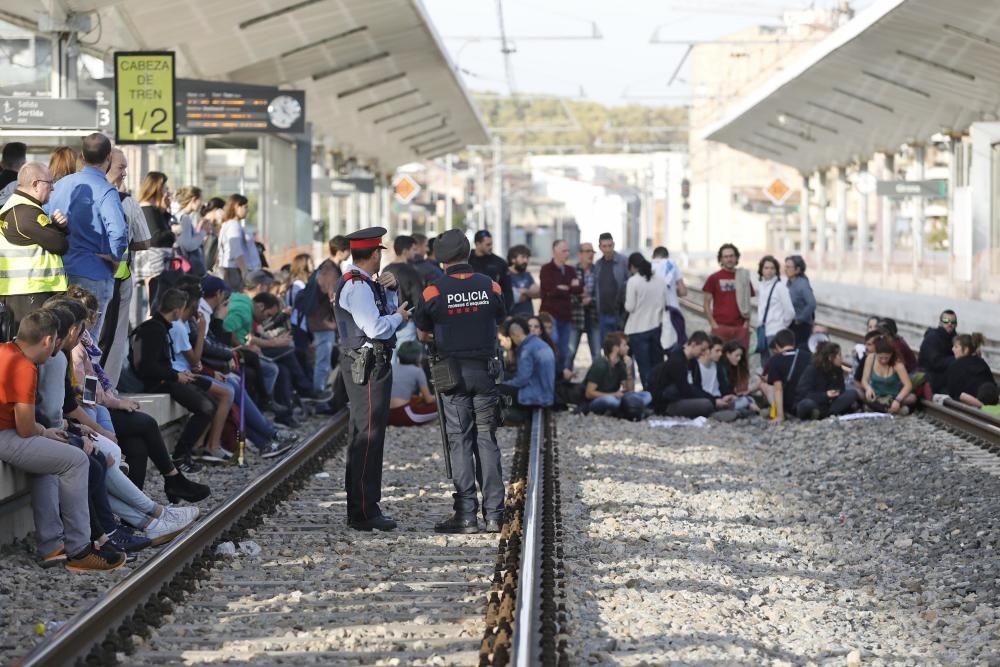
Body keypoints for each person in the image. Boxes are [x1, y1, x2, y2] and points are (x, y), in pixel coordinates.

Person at [0, 310, 128, 571]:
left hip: (7, 431)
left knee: (50, 461)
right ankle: (80, 549)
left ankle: (53, 547)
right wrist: (45, 432)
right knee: (77, 460)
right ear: (47, 341)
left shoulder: (5, 350)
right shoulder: (24, 367)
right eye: (56, 342)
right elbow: (25, 428)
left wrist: (46, 434)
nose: (57, 350)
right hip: (6, 436)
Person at [415, 228, 507, 534]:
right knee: (487, 439)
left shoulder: (433, 291)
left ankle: (466, 514)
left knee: (460, 440)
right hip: (485, 373)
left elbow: (422, 331)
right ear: (468, 253)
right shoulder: (489, 285)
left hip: (451, 375)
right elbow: (500, 316)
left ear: (441, 260)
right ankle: (494, 514)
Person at [335, 226, 409, 531]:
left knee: (365, 434)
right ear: (373, 253)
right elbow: (376, 327)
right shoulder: (357, 286)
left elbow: (380, 315)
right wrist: (399, 317)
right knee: (368, 436)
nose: (381, 257)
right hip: (366, 365)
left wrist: (390, 292)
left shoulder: (366, 283)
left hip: (368, 363)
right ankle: (365, 510)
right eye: (380, 251)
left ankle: (362, 506)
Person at [45, 133, 127, 340]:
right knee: (87, 344)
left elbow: (45, 219)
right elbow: (118, 232)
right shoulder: (106, 191)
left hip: (60, 272)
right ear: (108, 157)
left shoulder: (61, 185)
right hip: (94, 274)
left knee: (59, 340)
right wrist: (114, 255)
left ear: (82, 155)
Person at [132, 288, 220, 472]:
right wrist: (175, 375)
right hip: (159, 382)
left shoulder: (161, 326)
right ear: (177, 310)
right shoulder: (153, 329)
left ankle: (185, 453)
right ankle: (180, 455)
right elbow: (146, 366)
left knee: (211, 402)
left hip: (170, 377)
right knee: (205, 408)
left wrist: (179, 374)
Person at [100, 148, 151, 385]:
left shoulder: (74, 192)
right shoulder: (125, 201)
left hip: (80, 278)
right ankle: (104, 388)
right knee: (110, 338)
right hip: (116, 279)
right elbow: (144, 241)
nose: (124, 174)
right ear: (106, 164)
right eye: (122, 168)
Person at [0, 162, 69, 338]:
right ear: (36, 184)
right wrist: (59, 229)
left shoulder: (17, 208)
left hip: (22, 291)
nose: (53, 188)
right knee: (33, 344)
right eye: (50, 183)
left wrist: (54, 226)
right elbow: (60, 245)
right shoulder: (27, 213)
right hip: (30, 291)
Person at [623, 252, 666, 390]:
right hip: (656, 328)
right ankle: (659, 395)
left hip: (637, 330)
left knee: (644, 367)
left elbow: (630, 306)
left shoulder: (633, 281)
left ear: (632, 266)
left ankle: (649, 395)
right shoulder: (659, 279)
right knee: (658, 365)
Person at [539, 239, 582, 376]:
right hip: (550, 316)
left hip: (566, 316)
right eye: (564, 251)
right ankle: (551, 377)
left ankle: (561, 380)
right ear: (555, 252)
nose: (567, 253)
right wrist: (570, 287)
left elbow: (579, 288)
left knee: (564, 351)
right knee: (552, 347)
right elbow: (549, 290)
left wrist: (564, 288)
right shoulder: (546, 269)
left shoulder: (570, 270)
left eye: (568, 250)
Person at [500, 316, 556, 421]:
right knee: (505, 379)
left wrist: (504, 384)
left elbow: (521, 381)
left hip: (535, 397)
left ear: (515, 335)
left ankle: (518, 416)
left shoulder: (527, 349)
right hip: (545, 394)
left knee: (496, 387)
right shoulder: (538, 343)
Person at [583, 332, 651, 416]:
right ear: (615, 348)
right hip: (598, 399)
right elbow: (589, 393)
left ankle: (630, 408)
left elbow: (630, 391)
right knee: (610, 401)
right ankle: (633, 408)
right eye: (624, 345)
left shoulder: (621, 364)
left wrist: (629, 370)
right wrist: (613, 394)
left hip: (616, 397)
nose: (628, 348)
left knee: (647, 395)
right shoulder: (600, 365)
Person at [648, 331, 713, 417]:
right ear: (693, 344)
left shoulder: (693, 362)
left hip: (683, 398)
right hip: (668, 404)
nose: (704, 353)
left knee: (708, 403)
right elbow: (684, 390)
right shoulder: (677, 360)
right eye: (702, 349)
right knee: (707, 405)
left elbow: (697, 386)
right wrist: (712, 400)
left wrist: (714, 398)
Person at [703, 243, 753, 348]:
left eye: (731, 256)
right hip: (720, 327)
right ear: (721, 259)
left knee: (741, 362)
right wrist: (713, 325)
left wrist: (746, 324)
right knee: (720, 361)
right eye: (725, 257)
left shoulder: (743, 277)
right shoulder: (714, 278)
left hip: (740, 328)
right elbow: (706, 303)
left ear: (736, 258)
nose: (729, 259)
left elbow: (748, 302)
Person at [794, 342, 860, 420]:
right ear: (830, 357)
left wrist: (836, 393)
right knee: (806, 404)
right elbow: (804, 394)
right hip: (815, 402)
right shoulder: (812, 370)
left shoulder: (837, 370)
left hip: (829, 405)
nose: (842, 358)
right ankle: (821, 414)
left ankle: (827, 415)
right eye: (839, 355)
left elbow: (842, 389)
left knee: (852, 393)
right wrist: (825, 395)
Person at [384, 235, 423, 362]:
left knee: (392, 363)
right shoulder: (412, 271)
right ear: (405, 251)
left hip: (388, 324)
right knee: (407, 362)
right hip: (407, 323)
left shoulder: (386, 270)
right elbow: (418, 301)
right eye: (413, 249)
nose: (416, 253)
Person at [760, 329, 811, 422]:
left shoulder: (775, 360)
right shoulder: (808, 356)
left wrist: (780, 416)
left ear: (777, 345)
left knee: (764, 385)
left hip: (789, 404)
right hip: (806, 400)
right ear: (793, 342)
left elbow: (778, 389)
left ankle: (780, 411)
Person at [861, 336, 916, 415]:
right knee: (859, 393)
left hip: (892, 397)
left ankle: (888, 409)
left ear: (891, 355)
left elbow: (908, 385)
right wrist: (868, 388)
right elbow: (864, 380)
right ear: (876, 353)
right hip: (875, 396)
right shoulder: (870, 358)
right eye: (880, 358)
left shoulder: (897, 364)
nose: (883, 361)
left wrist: (898, 400)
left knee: (912, 398)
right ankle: (891, 410)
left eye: (886, 358)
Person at [387, 340, 437, 426]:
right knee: (441, 406)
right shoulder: (417, 371)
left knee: (416, 398)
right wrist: (439, 398)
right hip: (403, 414)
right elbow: (428, 399)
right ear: (418, 356)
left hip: (385, 414)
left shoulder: (392, 367)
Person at [567, 242, 600, 369]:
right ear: (580, 254)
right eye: (587, 251)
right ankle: (565, 384)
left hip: (593, 317)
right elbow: (568, 293)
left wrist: (591, 299)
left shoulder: (597, 271)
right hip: (576, 316)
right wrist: (580, 299)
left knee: (597, 354)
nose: (590, 254)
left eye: (592, 251)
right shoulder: (572, 272)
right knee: (570, 352)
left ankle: (597, 385)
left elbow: (603, 294)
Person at [756, 255, 794, 363]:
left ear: (776, 270)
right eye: (766, 268)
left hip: (776, 333)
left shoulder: (780, 287)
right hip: (763, 333)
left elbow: (790, 312)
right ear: (761, 270)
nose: (769, 271)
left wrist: (782, 326)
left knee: (776, 365)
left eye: (772, 268)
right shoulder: (762, 286)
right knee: (765, 366)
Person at [216, 194, 257, 292]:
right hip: (234, 270)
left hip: (228, 268)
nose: (247, 210)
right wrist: (244, 270)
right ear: (236, 207)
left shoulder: (226, 224)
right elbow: (236, 250)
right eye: (245, 207)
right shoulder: (234, 225)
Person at [593, 233, 628, 344]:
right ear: (600, 247)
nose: (608, 249)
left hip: (620, 314)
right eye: (604, 246)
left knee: (623, 347)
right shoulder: (598, 265)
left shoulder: (623, 262)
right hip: (603, 314)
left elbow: (630, 283)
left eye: (610, 245)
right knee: (607, 348)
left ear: (613, 245)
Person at [651, 246, 688, 349]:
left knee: (656, 347)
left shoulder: (649, 266)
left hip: (652, 314)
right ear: (667, 256)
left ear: (653, 256)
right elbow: (683, 291)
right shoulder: (671, 264)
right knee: (673, 346)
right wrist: (672, 291)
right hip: (672, 311)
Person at [946, 333, 996, 408]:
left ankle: (982, 406)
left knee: (958, 394)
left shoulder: (955, 365)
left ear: (966, 349)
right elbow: (992, 384)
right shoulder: (982, 362)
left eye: (956, 347)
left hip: (971, 402)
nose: (952, 349)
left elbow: (953, 392)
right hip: (989, 399)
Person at [468, 229, 513, 310]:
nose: (491, 247)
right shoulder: (467, 262)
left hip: (494, 309)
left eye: (491, 244)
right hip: (471, 307)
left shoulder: (500, 263)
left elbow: (507, 290)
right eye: (488, 244)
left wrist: (506, 311)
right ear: (478, 244)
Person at [918, 310, 957, 393]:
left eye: (953, 322)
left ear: (956, 324)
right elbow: (936, 362)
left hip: (945, 377)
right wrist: (957, 359)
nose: (950, 324)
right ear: (940, 323)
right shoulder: (932, 338)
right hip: (929, 378)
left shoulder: (955, 339)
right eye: (946, 321)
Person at [784, 255, 816, 350]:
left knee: (798, 352)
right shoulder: (789, 282)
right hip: (792, 325)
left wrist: (799, 319)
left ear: (797, 270)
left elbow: (812, 303)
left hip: (801, 327)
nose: (785, 269)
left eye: (788, 267)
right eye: (785, 266)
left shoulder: (802, 284)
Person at [175, 186, 207, 276]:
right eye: (200, 200)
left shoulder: (178, 215)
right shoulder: (185, 218)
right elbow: (188, 245)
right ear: (193, 200)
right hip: (186, 267)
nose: (202, 203)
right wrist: (203, 233)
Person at [508, 244, 539, 318]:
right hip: (512, 320)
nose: (526, 260)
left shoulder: (527, 275)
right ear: (513, 259)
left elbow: (538, 293)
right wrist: (528, 292)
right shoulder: (506, 275)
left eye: (527, 257)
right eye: (523, 257)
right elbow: (513, 297)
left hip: (529, 319)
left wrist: (525, 291)